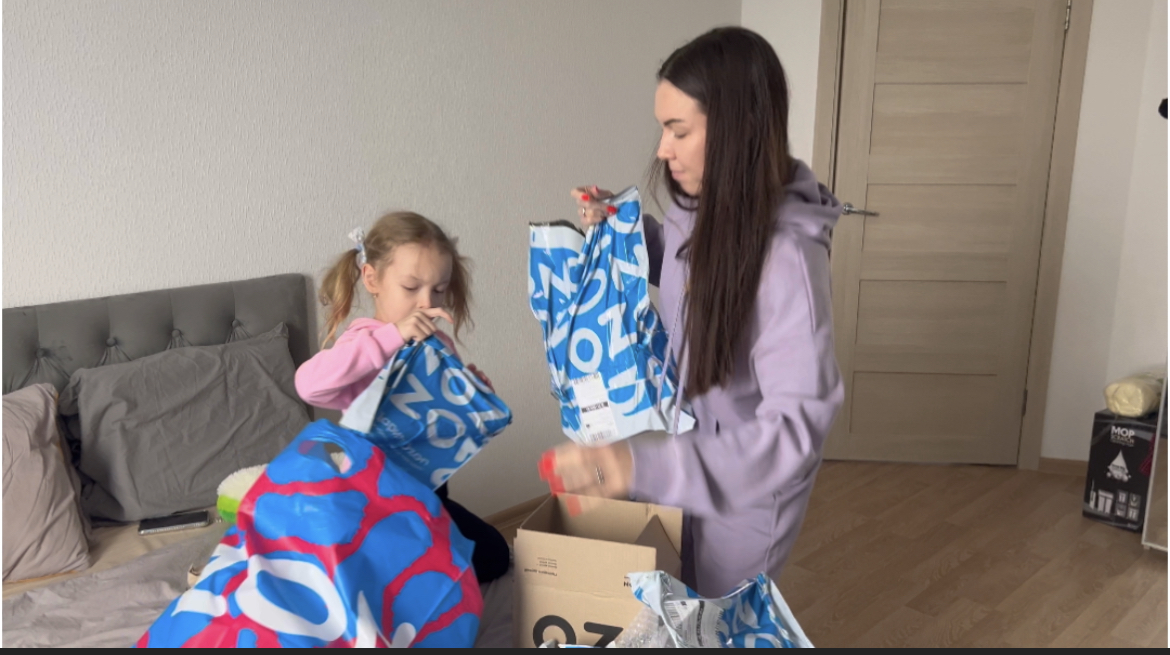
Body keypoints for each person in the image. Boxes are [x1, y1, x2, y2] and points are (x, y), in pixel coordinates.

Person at [543, 26, 845, 597]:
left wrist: (641, 467)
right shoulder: (697, 204)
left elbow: (794, 432)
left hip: (749, 487)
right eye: (663, 128)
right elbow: (693, 272)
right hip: (688, 446)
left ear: (736, 128)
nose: (663, 149)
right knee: (672, 596)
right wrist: (629, 236)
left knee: (714, 614)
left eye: (679, 131)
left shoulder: (789, 263)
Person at [295, 210, 510, 585]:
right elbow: (308, 385)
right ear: (372, 279)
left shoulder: (437, 342)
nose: (426, 302)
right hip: (374, 503)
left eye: (438, 290)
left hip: (428, 493)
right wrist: (392, 336)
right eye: (411, 287)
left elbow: (443, 424)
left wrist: (471, 393)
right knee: (405, 579)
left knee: (495, 555)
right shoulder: (364, 341)